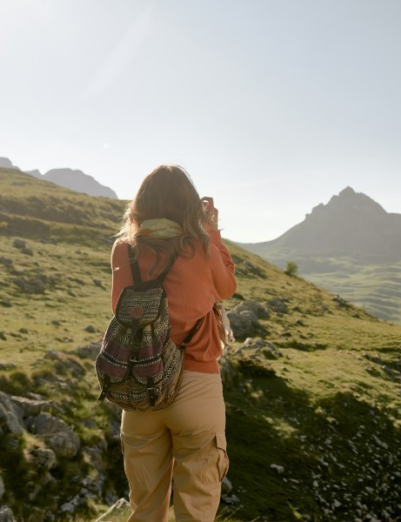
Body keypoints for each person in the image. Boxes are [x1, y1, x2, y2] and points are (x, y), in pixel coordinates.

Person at [110, 164, 237, 521]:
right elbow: (227, 287)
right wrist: (212, 232)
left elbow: (120, 309)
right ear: (189, 205)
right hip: (198, 385)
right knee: (197, 505)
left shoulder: (125, 251)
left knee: (145, 507)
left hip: (140, 386)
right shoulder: (199, 247)